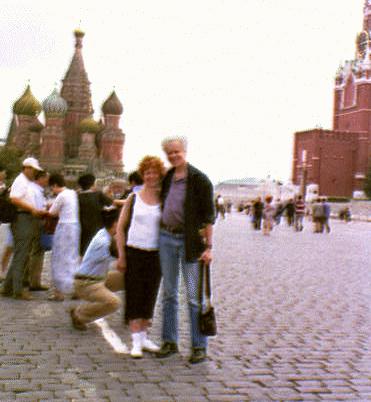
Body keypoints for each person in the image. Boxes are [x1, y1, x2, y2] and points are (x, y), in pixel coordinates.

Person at [155, 136, 215, 364]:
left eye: (176, 152)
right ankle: (169, 341)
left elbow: (209, 217)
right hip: (167, 239)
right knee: (169, 294)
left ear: (185, 151)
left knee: (193, 297)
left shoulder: (200, 180)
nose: (173, 156)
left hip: (190, 244)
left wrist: (208, 247)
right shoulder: (168, 176)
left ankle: (199, 346)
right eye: (169, 153)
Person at [116, 156, 164, 358]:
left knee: (149, 295)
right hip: (134, 251)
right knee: (135, 294)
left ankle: (144, 336)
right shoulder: (133, 198)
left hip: (156, 254)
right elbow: (120, 227)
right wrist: (121, 256)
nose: (150, 176)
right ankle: (135, 341)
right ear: (143, 175)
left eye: (154, 172)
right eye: (147, 173)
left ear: (160, 175)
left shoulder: (164, 199)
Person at [70, 208, 124, 331]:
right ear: (116, 224)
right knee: (114, 303)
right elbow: (120, 263)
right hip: (87, 283)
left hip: (98, 277)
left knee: (128, 278)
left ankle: (132, 316)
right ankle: (80, 314)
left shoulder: (104, 232)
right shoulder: (103, 242)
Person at [1, 157, 46, 300]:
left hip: (26, 218)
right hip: (22, 218)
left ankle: (8, 287)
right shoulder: (21, 181)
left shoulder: (26, 182)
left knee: (21, 253)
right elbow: (14, 199)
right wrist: (32, 209)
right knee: (22, 255)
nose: (35, 172)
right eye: (33, 169)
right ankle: (18, 290)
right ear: (26, 168)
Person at [48, 173, 80, 301]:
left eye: (52, 187)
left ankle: (58, 292)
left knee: (59, 259)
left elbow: (52, 213)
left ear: (55, 185)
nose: (52, 190)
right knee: (72, 258)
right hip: (75, 227)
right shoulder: (72, 193)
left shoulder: (61, 196)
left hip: (64, 227)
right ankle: (76, 289)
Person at [78, 174, 113, 256]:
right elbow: (111, 203)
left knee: (84, 254)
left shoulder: (77, 197)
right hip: (97, 229)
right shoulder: (98, 195)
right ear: (93, 184)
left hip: (82, 231)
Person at [26, 170, 49, 290]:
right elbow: (36, 208)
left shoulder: (36, 190)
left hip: (36, 221)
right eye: (46, 178)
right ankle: (33, 282)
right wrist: (47, 211)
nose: (47, 181)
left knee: (34, 251)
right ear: (40, 178)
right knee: (37, 251)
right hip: (36, 222)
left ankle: (30, 280)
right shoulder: (34, 190)